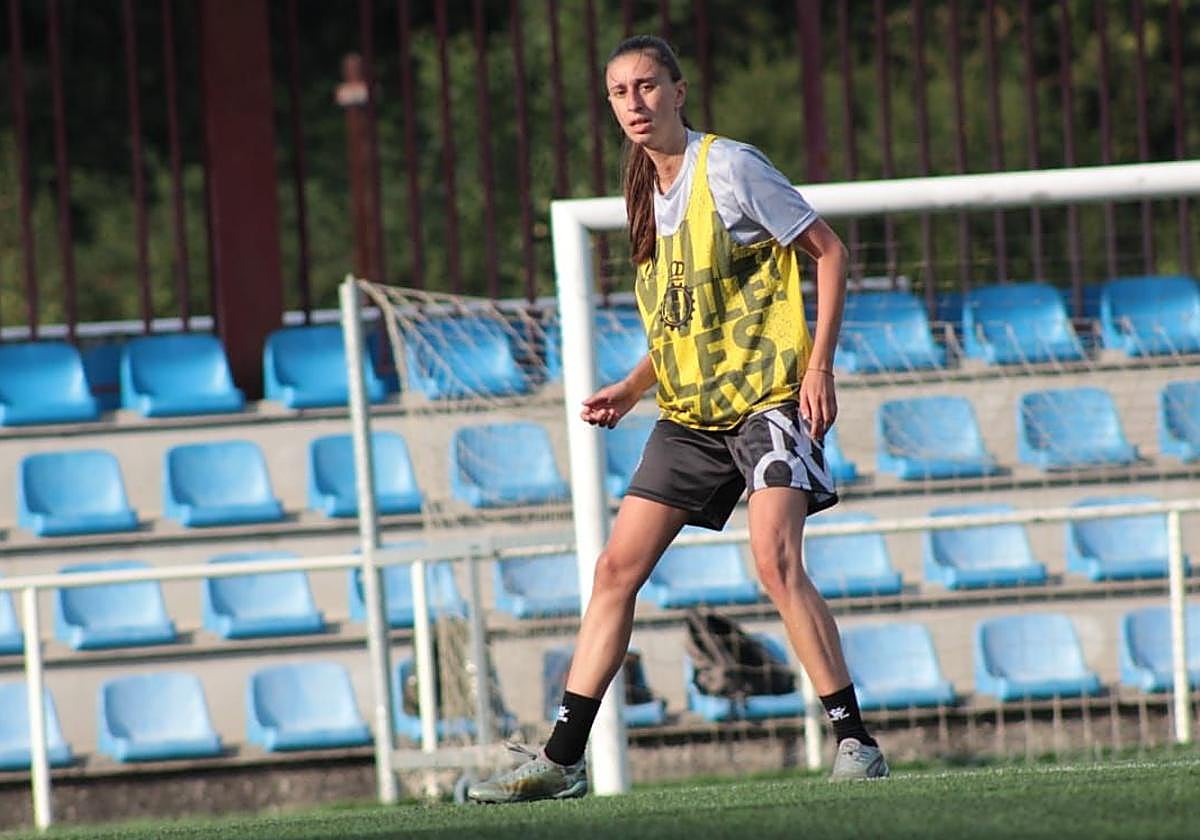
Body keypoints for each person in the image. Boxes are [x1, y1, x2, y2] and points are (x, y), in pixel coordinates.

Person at [468, 34, 886, 804]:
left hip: (767, 401)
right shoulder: (641, 192)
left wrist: (819, 367)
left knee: (774, 562)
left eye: (648, 86)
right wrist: (632, 388)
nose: (635, 102)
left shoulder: (729, 167)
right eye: (620, 92)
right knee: (614, 570)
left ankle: (855, 739)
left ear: (679, 91)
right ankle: (563, 759)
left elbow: (828, 252)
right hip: (689, 415)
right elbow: (686, 324)